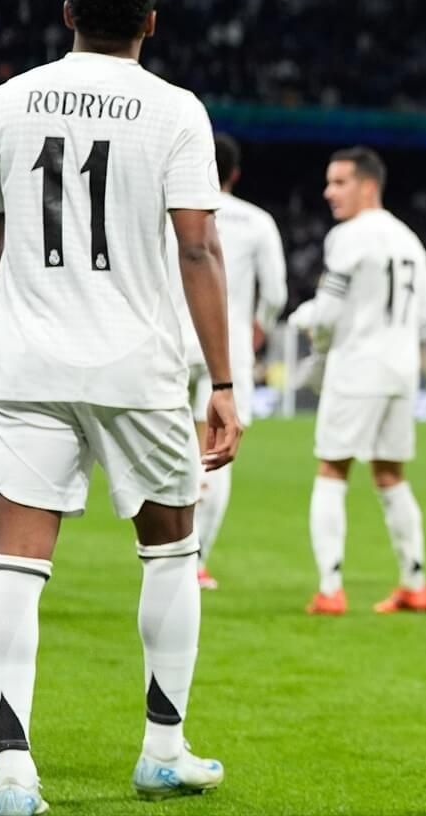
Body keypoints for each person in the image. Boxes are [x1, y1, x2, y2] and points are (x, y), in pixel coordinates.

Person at [0, 0, 240, 808]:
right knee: (171, 551)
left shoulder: (7, 103)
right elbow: (199, 247)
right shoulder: (176, 111)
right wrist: (222, 382)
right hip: (138, 368)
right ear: (150, 21)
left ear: (66, 14)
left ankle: (9, 767)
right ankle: (163, 750)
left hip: (23, 363)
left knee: (13, 565)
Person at [289, 147, 426, 617]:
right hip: (401, 368)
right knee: (390, 474)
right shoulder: (410, 239)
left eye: (339, 182)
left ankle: (330, 588)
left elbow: (328, 311)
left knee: (332, 469)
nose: (328, 192)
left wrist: (306, 319)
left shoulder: (349, 236)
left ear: (367, 186)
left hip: (358, 367)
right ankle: (415, 583)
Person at [164, 133, 287, 589]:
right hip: (226, 346)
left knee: (168, 445)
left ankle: (162, 548)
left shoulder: (167, 214)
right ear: (235, 173)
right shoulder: (257, 222)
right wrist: (258, 327)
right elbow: (274, 293)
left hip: (171, 338)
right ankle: (195, 561)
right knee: (217, 450)